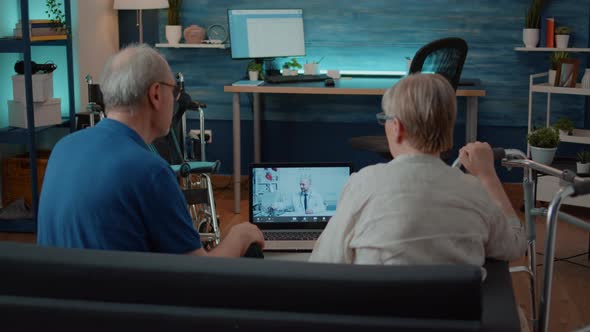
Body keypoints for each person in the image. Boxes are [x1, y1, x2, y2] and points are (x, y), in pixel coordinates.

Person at [37, 44, 264, 257]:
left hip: (59, 295)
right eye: (173, 92)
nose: (174, 100)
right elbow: (199, 275)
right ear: (156, 94)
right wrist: (240, 235)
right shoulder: (151, 172)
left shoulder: (63, 149)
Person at [309, 73, 525, 266]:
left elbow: (325, 261)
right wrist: (487, 176)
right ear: (448, 128)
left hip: (378, 309)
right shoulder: (474, 191)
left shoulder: (362, 184)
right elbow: (514, 246)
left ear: (397, 127)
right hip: (453, 311)